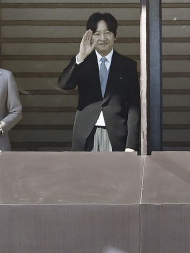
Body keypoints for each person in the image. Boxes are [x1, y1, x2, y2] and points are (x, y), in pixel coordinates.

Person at [58, 12, 141, 153]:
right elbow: (64, 84)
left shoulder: (127, 65)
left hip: (117, 135)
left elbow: (134, 106)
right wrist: (80, 56)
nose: (102, 38)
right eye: (97, 34)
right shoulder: (82, 62)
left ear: (115, 36)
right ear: (90, 37)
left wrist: (131, 145)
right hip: (86, 135)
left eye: (107, 33)